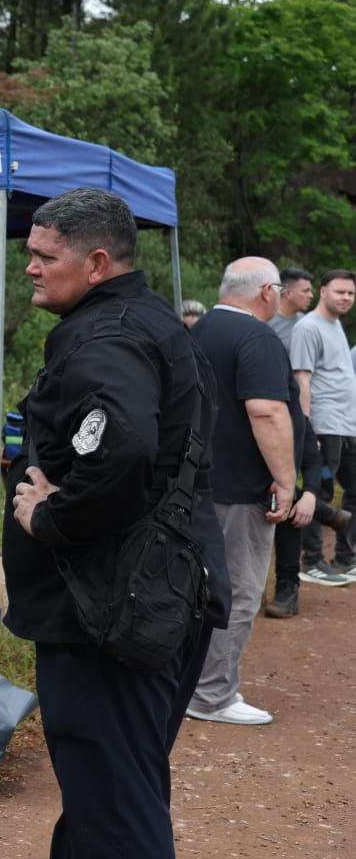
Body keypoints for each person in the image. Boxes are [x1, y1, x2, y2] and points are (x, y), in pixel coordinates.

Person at [3, 187, 229, 858]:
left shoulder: (108, 335)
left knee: (114, 811)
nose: (31, 268)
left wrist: (54, 519)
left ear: (97, 262)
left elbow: (122, 444)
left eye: (45, 257)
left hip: (109, 609)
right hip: (155, 591)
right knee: (117, 791)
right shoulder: (155, 323)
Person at [183, 258, 295, 725]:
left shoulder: (197, 330)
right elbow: (267, 411)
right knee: (240, 591)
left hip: (193, 482)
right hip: (237, 490)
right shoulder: (257, 337)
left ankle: (190, 684)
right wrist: (287, 481)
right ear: (268, 291)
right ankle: (211, 695)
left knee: (197, 588)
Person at [289, 269, 356, 585]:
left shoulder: (336, 325)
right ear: (323, 291)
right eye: (340, 292)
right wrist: (307, 429)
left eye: (351, 294)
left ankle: (346, 556)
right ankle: (312, 561)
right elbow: (302, 379)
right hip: (324, 425)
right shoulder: (307, 327)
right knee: (321, 491)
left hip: (347, 427)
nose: (346, 298)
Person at [268, 266, 313, 350]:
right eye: (305, 291)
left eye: (310, 291)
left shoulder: (305, 321)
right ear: (288, 293)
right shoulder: (266, 322)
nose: (311, 296)